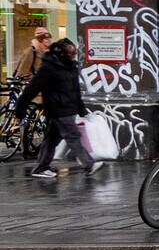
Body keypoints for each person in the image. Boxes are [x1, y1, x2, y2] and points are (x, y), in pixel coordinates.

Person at [13, 37, 97, 178]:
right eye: (71, 53)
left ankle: (41, 168)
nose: (73, 56)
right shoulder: (48, 67)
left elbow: (75, 90)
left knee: (51, 139)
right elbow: (32, 88)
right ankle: (89, 164)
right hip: (58, 109)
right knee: (73, 136)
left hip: (68, 109)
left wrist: (81, 109)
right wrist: (19, 110)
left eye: (74, 53)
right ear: (61, 53)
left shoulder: (72, 67)